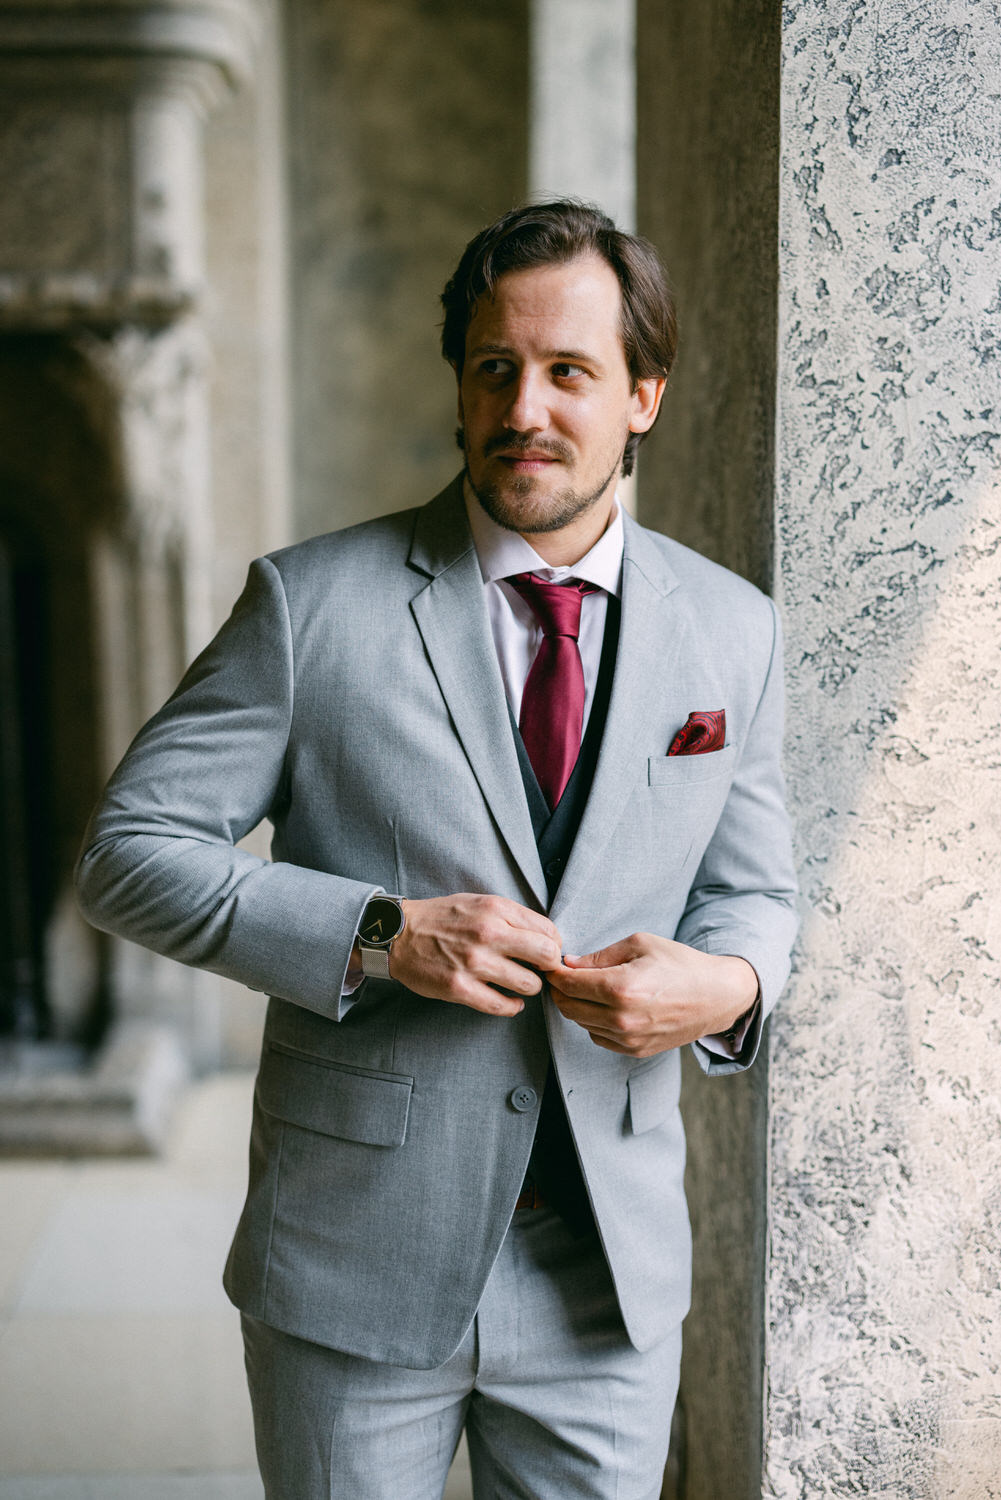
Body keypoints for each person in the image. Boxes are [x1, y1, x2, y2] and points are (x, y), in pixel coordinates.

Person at [77, 199, 798, 1500]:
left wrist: (729, 987)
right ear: (460, 386)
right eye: (493, 368)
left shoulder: (732, 632)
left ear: (642, 393)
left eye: (568, 371)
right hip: (356, 1261)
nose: (525, 406)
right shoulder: (311, 606)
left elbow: (753, 893)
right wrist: (376, 935)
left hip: (603, 1280)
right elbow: (131, 850)